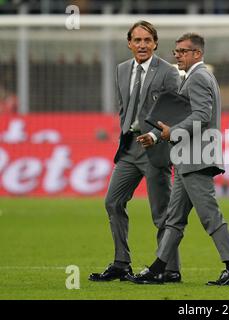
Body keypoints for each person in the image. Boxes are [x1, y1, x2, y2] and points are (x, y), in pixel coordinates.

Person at [127, 33, 229, 285]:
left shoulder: (199, 77)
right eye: (177, 51)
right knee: (174, 218)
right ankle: (159, 268)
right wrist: (159, 135)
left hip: (197, 158)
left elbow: (202, 115)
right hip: (187, 158)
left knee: (210, 216)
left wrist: (173, 132)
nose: (178, 56)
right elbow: (189, 115)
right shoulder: (197, 77)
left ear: (197, 54)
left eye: (183, 51)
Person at [89, 21, 182, 283]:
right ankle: (121, 263)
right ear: (129, 43)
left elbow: (175, 109)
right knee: (112, 202)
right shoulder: (121, 70)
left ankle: (170, 269)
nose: (142, 45)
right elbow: (124, 107)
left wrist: (155, 135)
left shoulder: (167, 72)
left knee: (161, 213)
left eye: (147, 40)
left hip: (155, 149)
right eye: (137, 40)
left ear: (155, 43)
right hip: (129, 147)